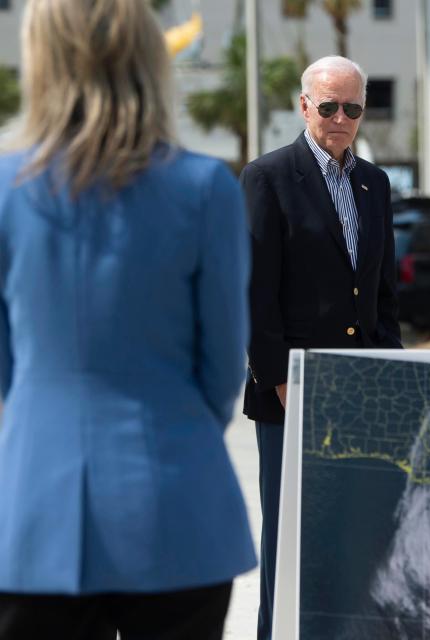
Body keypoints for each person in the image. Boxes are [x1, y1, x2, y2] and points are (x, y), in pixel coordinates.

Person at [0, 0, 256, 638]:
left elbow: (5, 371)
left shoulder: (5, 190)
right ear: (148, 57)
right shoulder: (205, 189)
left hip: (32, 506)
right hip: (178, 496)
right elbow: (223, 366)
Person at [241, 55, 402, 640]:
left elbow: (383, 294)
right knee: (290, 537)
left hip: (364, 390)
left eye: (352, 107)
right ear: (304, 106)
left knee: (356, 537)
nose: (341, 117)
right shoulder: (268, 177)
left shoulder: (375, 183)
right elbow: (255, 293)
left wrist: (394, 376)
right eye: (328, 106)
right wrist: (280, 381)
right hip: (291, 395)